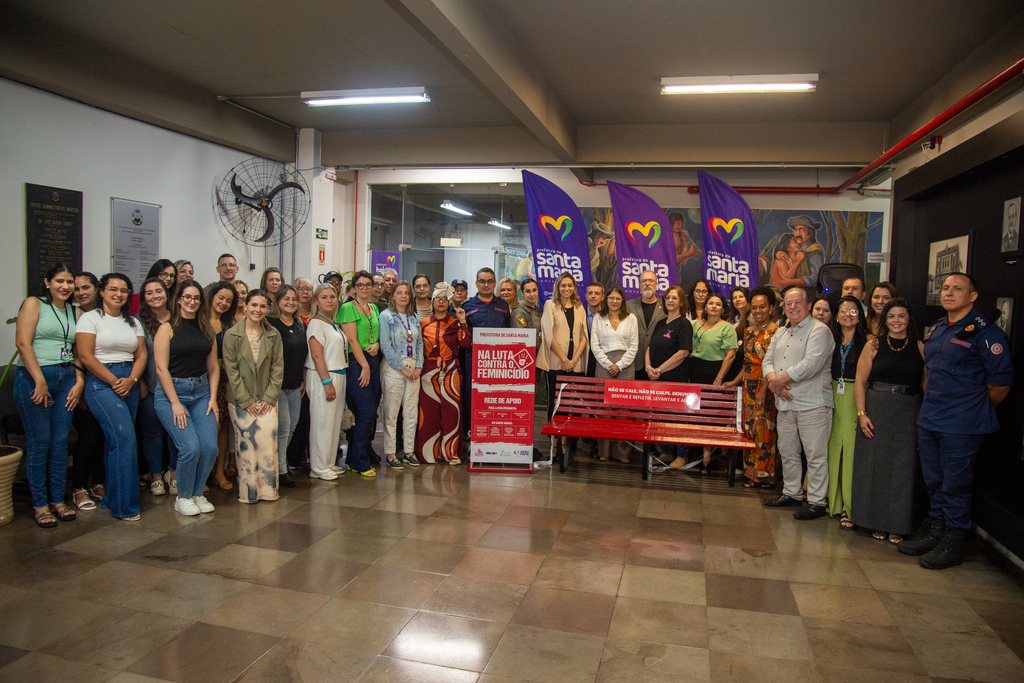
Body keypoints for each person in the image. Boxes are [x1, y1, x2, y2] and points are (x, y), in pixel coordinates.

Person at [900, 273, 1013, 569]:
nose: (948, 293)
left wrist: (969, 409)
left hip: (962, 424)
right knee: (934, 480)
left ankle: (953, 540)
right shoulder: (938, 328)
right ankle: (936, 530)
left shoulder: (985, 334)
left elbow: (1000, 386)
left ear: (973, 296)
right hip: (931, 418)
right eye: (946, 288)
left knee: (955, 483)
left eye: (957, 289)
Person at [850, 297, 924, 543]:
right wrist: (862, 414)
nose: (896, 321)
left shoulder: (921, 347)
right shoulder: (873, 345)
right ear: (885, 320)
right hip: (876, 408)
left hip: (908, 410)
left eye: (901, 316)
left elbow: (926, 385)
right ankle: (874, 522)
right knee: (875, 466)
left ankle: (897, 525)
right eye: (891, 317)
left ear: (909, 320)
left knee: (903, 468)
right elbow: (860, 382)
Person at [15, 263, 82, 527]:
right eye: (59, 281)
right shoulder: (34, 304)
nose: (65, 287)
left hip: (66, 378)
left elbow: (75, 349)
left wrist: (79, 380)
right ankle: (40, 505)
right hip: (35, 377)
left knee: (60, 442)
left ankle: (58, 500)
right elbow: (22, 342)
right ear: (47, 282)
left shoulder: (73, 311)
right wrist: (39, 380)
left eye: (69, 282)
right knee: (40, 441)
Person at [76, 273, 147, 521]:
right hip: (102, 384)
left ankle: (110, 499)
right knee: (125, 439)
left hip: (130, 381)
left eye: (124, 290)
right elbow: (85, 356)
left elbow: (141, 355)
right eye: (113, 289)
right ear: (102, 292)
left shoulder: (133, 322)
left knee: (115, 443)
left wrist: (133, 380)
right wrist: (114, 381)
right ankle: (124, 507)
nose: (119, 294)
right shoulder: (90, 318)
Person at [761, 286, 835, 519]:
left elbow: (811, 364)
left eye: (797, 302)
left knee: (815, 455)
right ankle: (791, 493)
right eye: (788, 303)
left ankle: (816, 501)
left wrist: (779, 382)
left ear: (809, 305)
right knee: (788, 451)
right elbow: (767, 361)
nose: (792, 307)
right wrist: (774, 382)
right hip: (785, 404)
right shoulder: (781, 332)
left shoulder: (819, 330)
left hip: (812, 403)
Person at [153, 280, 220, 517]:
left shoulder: (206, 328)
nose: (192, 302)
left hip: (202, 393)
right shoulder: (167, 328)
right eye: (187, 297)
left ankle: (197, 493)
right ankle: (183, 497)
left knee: (210, 448)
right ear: (179, 299)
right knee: (190, 447)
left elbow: (213, 367)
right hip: (173, 393)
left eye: (196, 298)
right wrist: (174, 403)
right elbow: (161, 369)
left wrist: (213, 399)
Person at [223, 289, 284, 504]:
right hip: (241, 400)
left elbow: (278, 368)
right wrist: (247, 401)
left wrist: (269, 398)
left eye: (262, 306)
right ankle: (248, 493)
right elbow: (232, 372)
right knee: (247, 446)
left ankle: (268, 491)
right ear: (245, 306)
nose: (258, 310)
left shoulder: (273, 334)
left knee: (268, 443)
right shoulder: (232, 335)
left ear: (267, 308)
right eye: (254, 305)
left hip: (268, 399)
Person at [826, 296, 867, 525]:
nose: (848, 315)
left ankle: (849, 507)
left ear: (860, 315)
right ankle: (832, 501)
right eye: (843, 310)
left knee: (851, 454)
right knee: (832, 451)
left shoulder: (868, 342)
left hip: (855, 397)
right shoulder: (829, 339)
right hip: (831, 394)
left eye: (853, 311)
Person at [418, 282, 470, 464]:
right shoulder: (423, 323)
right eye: (437, 299)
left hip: (451, 370)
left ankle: (450, 453)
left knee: (452, 412)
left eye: (444, 299)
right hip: (428, 370)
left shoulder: (455, 323)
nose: (441, 302)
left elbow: (465, 344)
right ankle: (427, 453)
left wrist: (463, 321)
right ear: (432, 301)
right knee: (428, 411)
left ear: (449, 302)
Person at [686, 292, 738, 473]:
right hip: (695, 372)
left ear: (723, 309)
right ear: (705, 307)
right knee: (696, 416)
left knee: (712, 418)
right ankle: (696, 456)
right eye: (710, 303)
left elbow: (730, 355)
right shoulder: (696, 325)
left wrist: (718, 379)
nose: (714, 306)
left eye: (718, 304)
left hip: (715, 373)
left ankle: (708, 458)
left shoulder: (727, 328)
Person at [642, 285, 692, 468]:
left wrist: (660, 369)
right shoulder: (661, 323)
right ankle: (668, 451)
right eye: (668, 298)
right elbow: (649, 348)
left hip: (675, 379)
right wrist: (648, 367)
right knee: (661, 417)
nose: (670, 301)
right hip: (657, 379)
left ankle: (682, 455)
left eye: (675, 298)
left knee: (678, 418)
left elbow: (683, 353)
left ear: (681, 302)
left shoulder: (683, 324)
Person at [339, 270, 381, 477]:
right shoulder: (348, 308)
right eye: (360, 285)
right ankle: (361, 461)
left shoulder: (373, 307)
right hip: (357, 362)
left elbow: (374, 332)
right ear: (354, 288)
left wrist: (377, 343)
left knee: (364, 411)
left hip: (373, 359)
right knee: (366, 413)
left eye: (368, 284)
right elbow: (352, 340)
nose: (365, 288)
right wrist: (364, 365)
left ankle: (353, 460)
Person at [590, 285, 638, 462]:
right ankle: (604, 452)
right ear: (606, 299)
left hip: (625, 367)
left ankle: (622, 453)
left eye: (618, 298)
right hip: (603, 365)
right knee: (604, 411)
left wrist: (620, 365)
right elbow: (595, 345)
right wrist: (608, 364)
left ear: (622, 300)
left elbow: (634, 346)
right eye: (611, 298)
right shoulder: (598, 317)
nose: (614, 301)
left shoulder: (631, 318)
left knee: (623, 411)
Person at [461, 268, 511, 439]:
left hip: (497, 363)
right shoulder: (467, 306)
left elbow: (509, 333)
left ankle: (494, 431)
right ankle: (469, 431)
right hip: (473, 361)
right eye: (482, 281)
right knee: (471, 396)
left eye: (490, 281)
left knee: (495, 397)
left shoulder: (503, 306)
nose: (486, 284)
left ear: (494, 283)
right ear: (476, 283)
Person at [379, 281, 423, 470]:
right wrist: (402, 368)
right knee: (391, 413)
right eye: (399, 292)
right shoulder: (386, 316)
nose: (403, 296)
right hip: (394, 368)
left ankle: (409, 451)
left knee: (411, 412)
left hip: (414, 368)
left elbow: (420, 343)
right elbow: (385, 345)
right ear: (393, 295)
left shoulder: (414, 318)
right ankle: (390, 453)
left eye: (406, 293)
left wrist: (418, 367)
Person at [739, 287, 780, 488]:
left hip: (766, 386)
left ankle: (765, 475)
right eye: (754, 307)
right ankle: (751, 473)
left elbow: (773, 364)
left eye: (762, 307)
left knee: (764, 429)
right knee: (750, 429)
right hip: (748, 385)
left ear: (771, 307)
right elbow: (747, 362)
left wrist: (764, 391)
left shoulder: (777, 332)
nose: (757, 311)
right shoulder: (749, 332)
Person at [70, 272, 105, 510]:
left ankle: (98, 482)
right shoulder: (72, 314)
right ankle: (78, 487)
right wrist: (80, 384)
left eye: (86, 288)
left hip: (105, 380)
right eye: (77, 289)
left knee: (103, 434)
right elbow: (76, 352)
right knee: (89, 433)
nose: (81, 293)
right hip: (80, 382)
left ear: (97, 289)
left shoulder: (107, 312)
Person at [306, 284, 347, 480]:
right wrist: (327, 382)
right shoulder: (316, 323)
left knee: (333, 422)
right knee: (322, 422)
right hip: (324, 375)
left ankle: (329, 463)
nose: (329, 300)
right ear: (316, 301)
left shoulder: (332, 322)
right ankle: (319, 467)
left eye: (332, 296)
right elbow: (316, 355)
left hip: (339, 374)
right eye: (324, 297)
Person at [136, 277, 173, 495]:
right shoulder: (137, 322)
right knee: (152, 433)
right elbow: (135, 355)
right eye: (149, 293)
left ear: (167, 293)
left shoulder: (178, 318)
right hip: (149, 386)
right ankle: (156, 475)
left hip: (175, 387)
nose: (155, 296)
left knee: (174, 433)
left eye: (158, 291)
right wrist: (139, 381)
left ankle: (174, 472)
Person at [268, 285, 305, 488]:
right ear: (278, 301)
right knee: (282, 428)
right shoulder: (270, 324)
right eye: (286, 299)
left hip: (295, 384)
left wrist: (304, 378)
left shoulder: (300, 324)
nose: (290, 302)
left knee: (291, 427)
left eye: (294, 299)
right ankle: (280, 470)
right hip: (278, 386)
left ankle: (279, 463)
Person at [540, 272, 589, 422]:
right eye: (563, 285)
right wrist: (565, 360)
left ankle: (571, 443)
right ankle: (555, 442)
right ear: (557, 287)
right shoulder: (550, 305)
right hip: (556, 362)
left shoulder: (579, 307)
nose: (566, 288)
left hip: (575, 363)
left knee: (574, 405)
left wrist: (573, 361)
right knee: (556, 403)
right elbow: (549, 335)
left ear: (574, 287)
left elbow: (583, 337)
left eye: (569, 285)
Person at [207, 281, 239, 490]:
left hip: (226, 377)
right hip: (205, 378)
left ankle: (219, 471)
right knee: (211, 426)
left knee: (224, 426)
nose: (224, 303)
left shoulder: (230, 325)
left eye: (229, 300)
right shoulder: (200, 321)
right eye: (221, 298)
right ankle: (204, 472)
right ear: (211, 296)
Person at [625, 271, 665, 380]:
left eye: (651, 281)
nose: (647, 284)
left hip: (657, 363)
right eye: (644, 281)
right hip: (634, 361)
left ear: (656, 283)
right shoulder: (629, 306)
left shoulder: (666, 307)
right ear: (639, 284)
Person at [584, 282, 605, 377]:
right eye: (590, 293)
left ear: (603, 297)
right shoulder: (579, 315)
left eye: (597, 293)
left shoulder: (608, 316)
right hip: (584, 361)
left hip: (603, 362)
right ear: (586, 296)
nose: (593, 296)